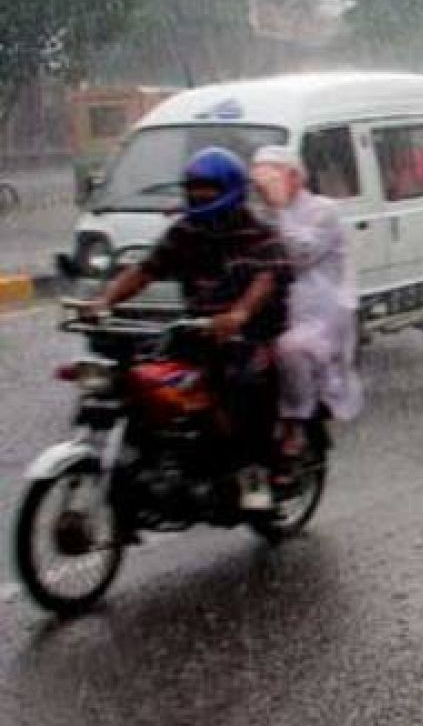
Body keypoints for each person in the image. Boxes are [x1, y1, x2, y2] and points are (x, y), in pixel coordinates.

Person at [86, 147, 292, 511]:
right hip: (197, 329)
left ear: (229, 189)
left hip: (251, 334)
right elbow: (146, 270)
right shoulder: (185, 231)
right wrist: (105, 300)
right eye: (194, 187)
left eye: (208, 188)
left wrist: (240, 313)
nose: (199, 195)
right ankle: (155, 461)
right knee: (141, 378)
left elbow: (268, 277)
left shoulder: (258, 233)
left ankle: (254, 470)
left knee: (242, 385)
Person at [250, 146, 362, 464]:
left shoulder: (323, 211)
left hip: (317, 311)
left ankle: (295, 420)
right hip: (270, 303)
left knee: (291, 349)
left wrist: (279, 210)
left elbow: (301, 254)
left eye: (273, 177)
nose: (265, 185)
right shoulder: (258, 212)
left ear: (296, 177)